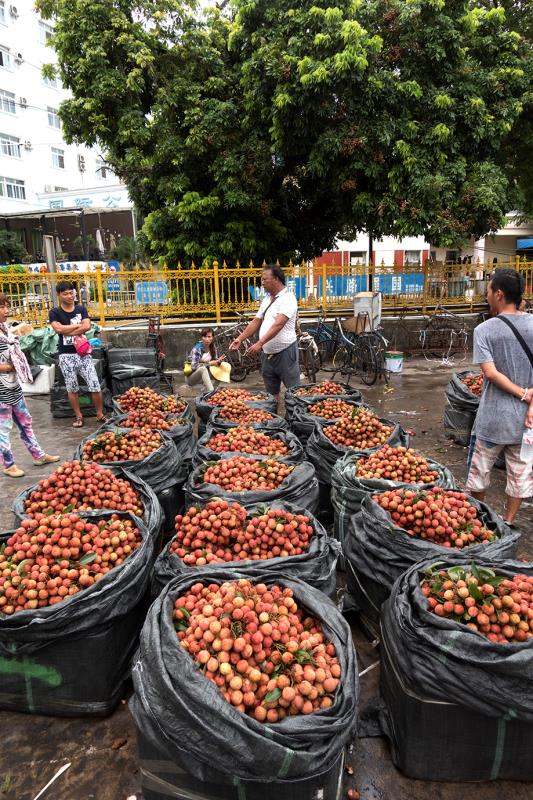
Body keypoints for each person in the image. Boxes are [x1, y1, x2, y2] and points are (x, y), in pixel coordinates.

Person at [466, 268, 533, 523]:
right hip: (526, 423)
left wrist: (524, 394)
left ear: (500, 294)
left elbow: (491, 373)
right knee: (519, 474)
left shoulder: (484, 330)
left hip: (493, 419)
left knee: (479, 473)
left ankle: (477, 521)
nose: (487, 296)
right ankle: (508, 522)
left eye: (488, 292)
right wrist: (530, 398)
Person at [0, 295, 59, 477]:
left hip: (13, 388)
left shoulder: (5, 331)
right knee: (4, 428)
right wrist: (11, 367)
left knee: (25, 422)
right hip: (1, 392)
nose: (6, 310)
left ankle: (38, 455)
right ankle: (9, 465)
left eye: (7, 306)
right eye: (2, 307)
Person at [229, 265, 299, 404]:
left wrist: (260, 343)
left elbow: (279, 324)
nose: (262, 283)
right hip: (267, 355)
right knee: (271, 393)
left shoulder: (288, 298)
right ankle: (275, 421)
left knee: (294, 392)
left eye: (264, 279)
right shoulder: (267, 299)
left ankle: (295, 421)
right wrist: (240, 339)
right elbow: (256, 321)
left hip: (285, 353)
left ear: (276, 279)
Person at [49, 280, 106, 428]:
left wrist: (67, 328)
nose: (69, 296)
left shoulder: (81, 309)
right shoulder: (54, 312)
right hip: (66, 355)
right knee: (72, 387)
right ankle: (79, 416)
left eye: (71, 292)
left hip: (83, 353)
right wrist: (76, 326)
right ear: (59, 295)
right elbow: (58, 330)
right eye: (65, 293)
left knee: (94, 384)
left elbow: (87, 326)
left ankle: (99, 414)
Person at [186, 327, 225, 394]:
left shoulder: (213, 347)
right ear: (201, 337)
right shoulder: (197, 349)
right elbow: (194, 367)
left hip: (205, 376)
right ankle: (211, 392)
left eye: (209, 337)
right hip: (192, 378)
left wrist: (219, 361)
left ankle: (209, 391)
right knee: (203, 369)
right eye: (205, 337)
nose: (207, 339)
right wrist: (209, 363)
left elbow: (214, 362)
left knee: (223, 369)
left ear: (212, 338)